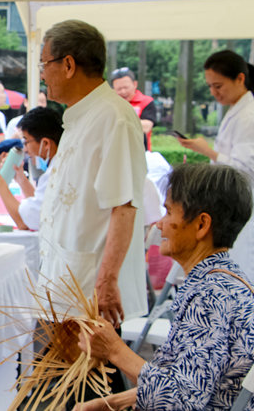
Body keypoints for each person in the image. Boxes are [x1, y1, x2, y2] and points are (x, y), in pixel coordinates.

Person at [75, 163, 254, 411]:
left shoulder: (211, 295)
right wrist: (113, 402)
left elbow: (182, 402)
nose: (159, 224)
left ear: (201, 225)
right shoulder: (222, 280)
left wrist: (115, 350)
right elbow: (190, 383)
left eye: (169, 212)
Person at [38, 19, 147, 330]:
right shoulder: (79, 116)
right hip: (65, 283)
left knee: (92, 377)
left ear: (68, 64)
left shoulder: (113, 117)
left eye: (45, 64)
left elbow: (124, 205)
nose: (43, 75)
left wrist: (108, 280)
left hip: (90, 292)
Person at [176, 50, 254, 290]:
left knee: (245, 284)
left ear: (240, 79)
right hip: (232, 209)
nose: (214, 93)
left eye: (219, 86)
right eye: (210, 87)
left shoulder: (250, 117)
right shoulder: (238, 111)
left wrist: (209, 152)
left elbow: (244, 171)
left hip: (245, 210)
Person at [0, 107, 63, 231]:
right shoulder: (58, 165)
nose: (25, 149)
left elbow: (25, 221)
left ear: (45, 143)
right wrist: (20, 178)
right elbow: (39, 205)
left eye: (26, 142)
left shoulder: (55, 172)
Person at [110, 67, 157, 150]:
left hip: (140, 152)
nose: (123, 92)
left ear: (135, 84)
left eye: (126, 87)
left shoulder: (146, 102)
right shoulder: (109, 105)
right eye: (119, 89)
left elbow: (146, 127)